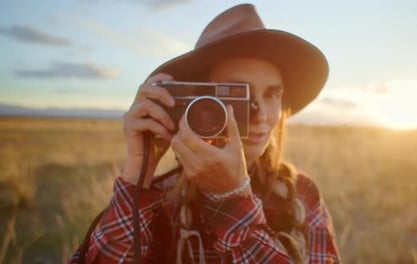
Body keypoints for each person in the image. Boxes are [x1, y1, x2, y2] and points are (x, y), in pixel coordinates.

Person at [71, 3, 340, 264]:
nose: (261, 115)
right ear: (198, 104)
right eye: (237, 96)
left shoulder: (301, 195)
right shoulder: (158, 199)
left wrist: (234, 200)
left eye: (272, 94)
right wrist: (138, 173)